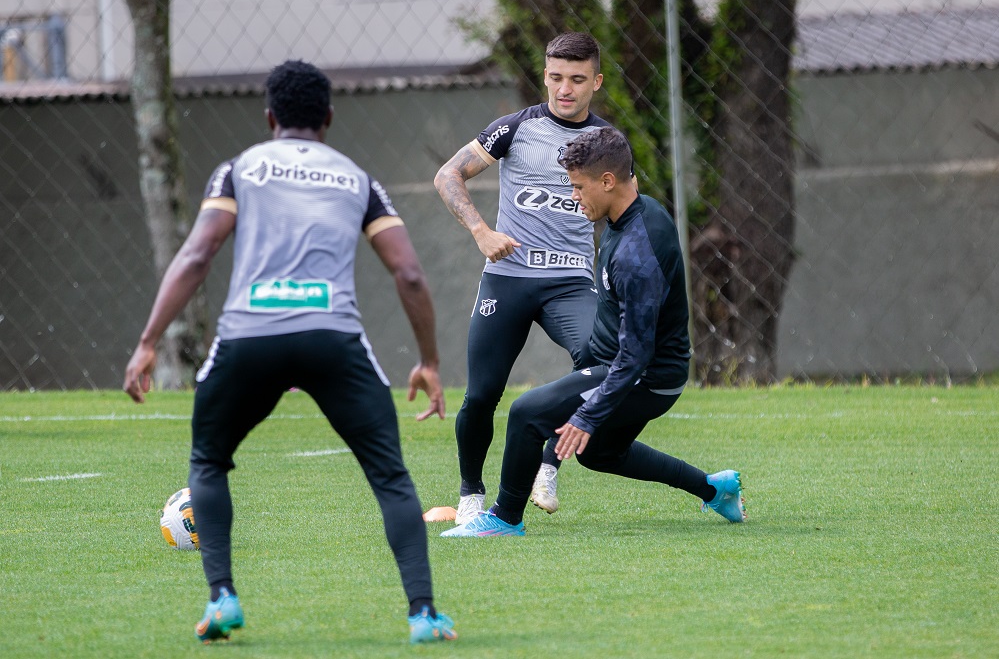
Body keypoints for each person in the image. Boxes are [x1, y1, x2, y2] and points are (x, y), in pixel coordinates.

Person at [123, 60, 457, 644]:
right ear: (328, 118)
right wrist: (428, 361)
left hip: (249, 338)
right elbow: (408, 274)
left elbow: (197, 257)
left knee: (208, 461)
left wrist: (149, 341)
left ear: (270, 116)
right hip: (333, 340)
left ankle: (222, 597)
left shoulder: (239, 170)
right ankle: (424, 614)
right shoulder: (358, 179)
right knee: (391, 478)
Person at [441, 127, 746, 538]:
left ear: (608, 182)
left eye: (578, 187)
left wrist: (585, 414)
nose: (573, 197)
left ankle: (504, 518)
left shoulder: (638, 255)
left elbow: (635, 357)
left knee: (527, 412)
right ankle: (715, 488)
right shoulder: (633, 211)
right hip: (629, 365)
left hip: (645, 376)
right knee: (601, 454)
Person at [434, 31, 621, 524]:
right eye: (556, 77)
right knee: (481, 394)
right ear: (545, 76)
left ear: (595, 82)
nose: (565, 88)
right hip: (508, 280)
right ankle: (471, 495)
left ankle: (547, 464)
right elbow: (447, 175)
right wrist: (480, 231)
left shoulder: (606, 145)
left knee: (601, 363)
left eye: (577, 79)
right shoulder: (514, 129)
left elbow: (627, 209)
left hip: (571, 281)